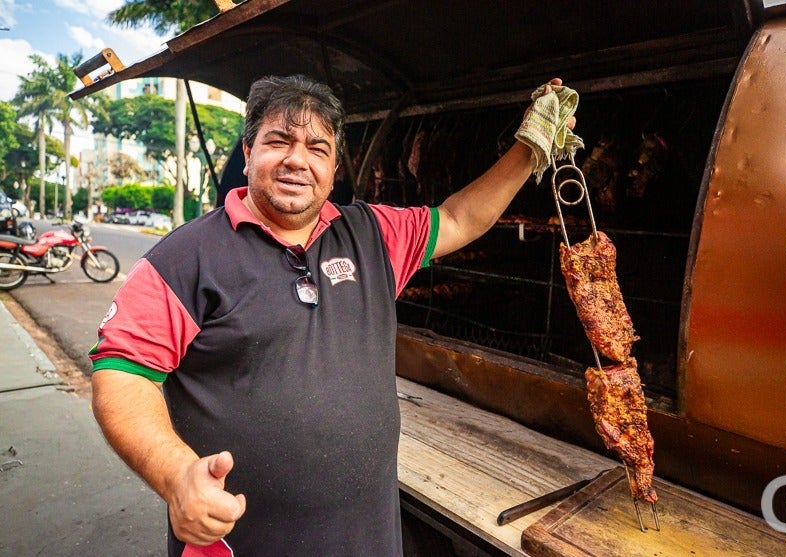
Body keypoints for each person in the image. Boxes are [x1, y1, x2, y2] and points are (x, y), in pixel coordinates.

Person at [90, 74, 575, 556]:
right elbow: (122, 374)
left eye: (317, 148)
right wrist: (176, 475)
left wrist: (529, 148)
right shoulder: (185, 258)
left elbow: (459, 218)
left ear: (334, 166)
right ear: (248, 151)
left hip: (367, 541)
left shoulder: (373, 235)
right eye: (279, 141)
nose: (297, 160)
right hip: (244, 544)